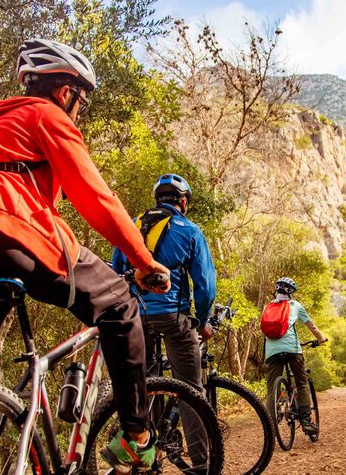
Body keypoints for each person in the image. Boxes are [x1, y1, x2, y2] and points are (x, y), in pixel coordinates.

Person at [0, 39, 169, 472]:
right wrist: (142, 260)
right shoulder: (45, 114)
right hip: (7, 231)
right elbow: (95, 197)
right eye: (81, 100)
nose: (79, 110)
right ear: (66, 92)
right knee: (120, 304)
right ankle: (138, 436)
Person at [111, 173, 216, 470]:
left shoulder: (134, 224)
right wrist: (202, 321)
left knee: (144, 385)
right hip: (174, 316)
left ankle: (148, 456)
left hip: (136, 316)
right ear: (183, 202)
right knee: (190, 390)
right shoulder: (190, 230)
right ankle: (201, 465)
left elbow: (117, 269)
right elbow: (205, 285)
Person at [264, 277, 327, 434]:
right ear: (291, 292)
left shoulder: (268, 307)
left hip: (271, 351)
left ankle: (271, 421)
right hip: (292, 349)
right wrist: (321, 339)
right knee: (302, 382)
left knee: (272, 388)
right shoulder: (296, 306)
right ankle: (306, 420)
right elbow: (311, 326)